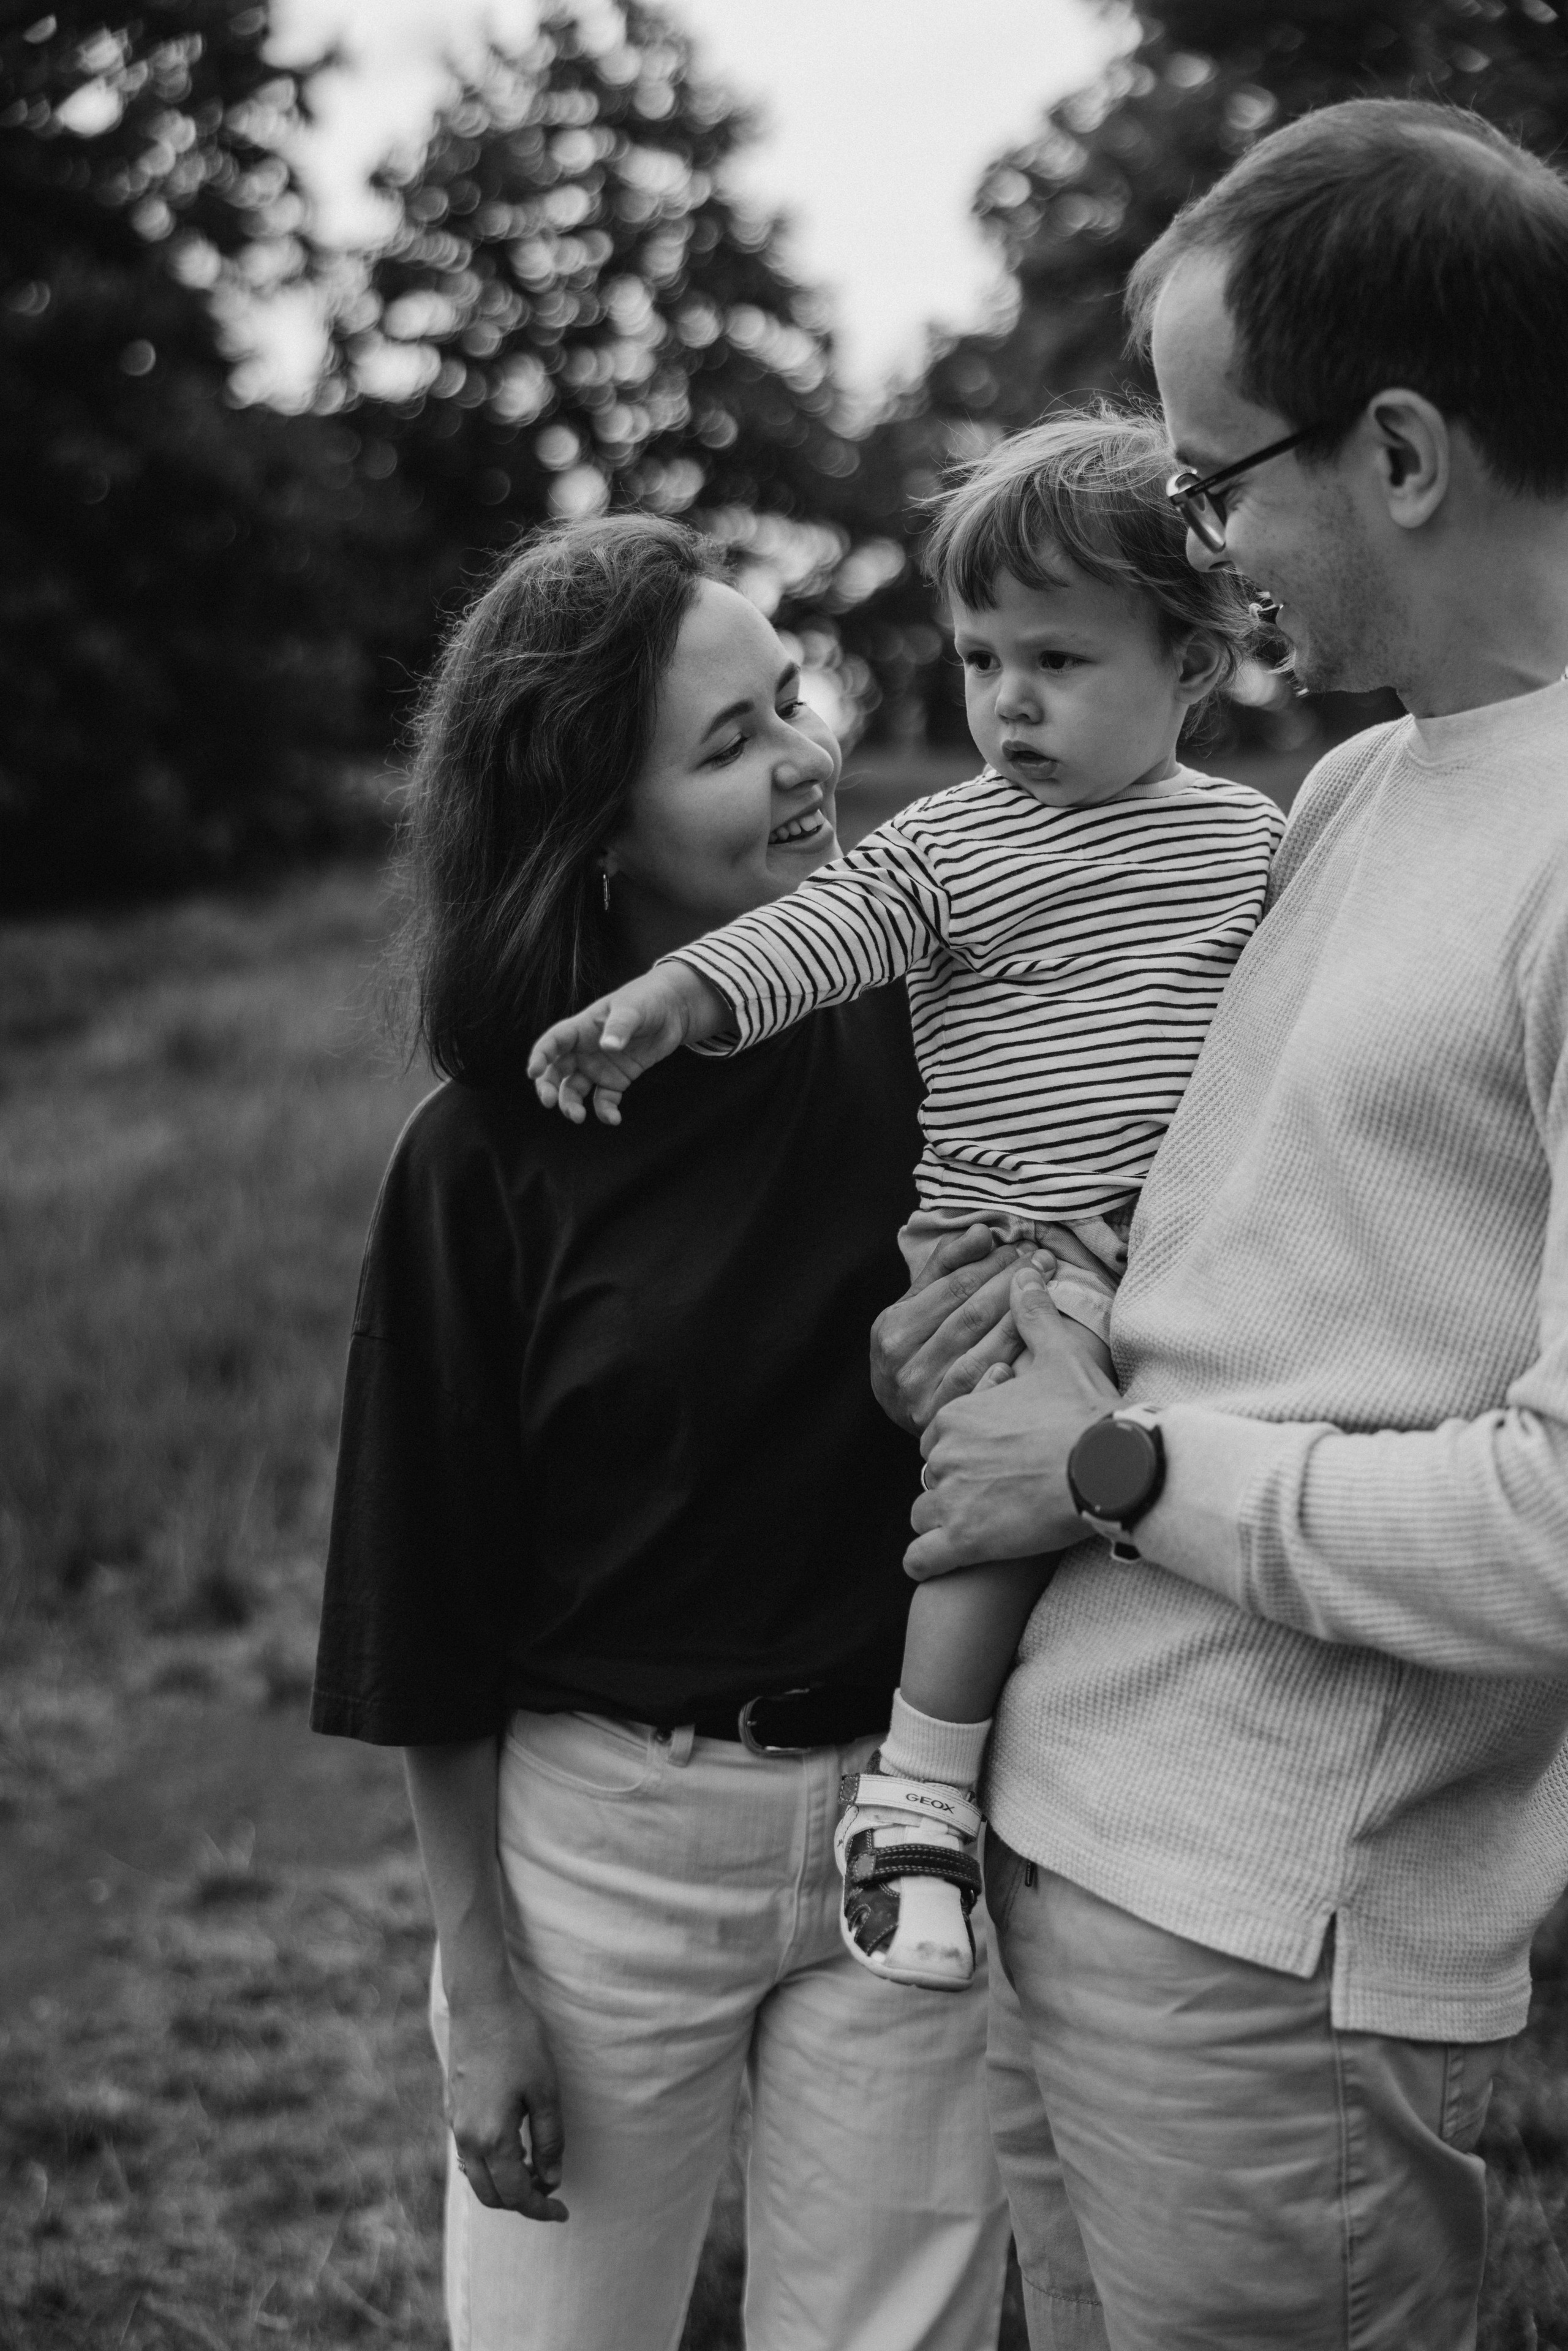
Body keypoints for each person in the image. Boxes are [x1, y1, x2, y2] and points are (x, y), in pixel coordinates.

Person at [872, 98, 1568, 2351]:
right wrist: (1002, 1346)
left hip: (1274, 1956)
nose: (1198, 535)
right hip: (1062, 1845)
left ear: (1397, 451)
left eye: (1210, 476)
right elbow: (1239, 1265)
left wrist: (1112, 1472)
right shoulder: (1355, 784)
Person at [311, 515, 1009, 2351]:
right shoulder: (483, 1161)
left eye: (792, 699)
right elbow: (420, 1595)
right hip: (606, 1856)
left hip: (911, 1824)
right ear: (592, 830)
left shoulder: (937, 1051)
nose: (806, 758)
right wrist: (483, 1977)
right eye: (729, 742)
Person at [527, 412, 1279, 1991]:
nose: (1009, 700)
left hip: (1183, 1248)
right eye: (982, 657)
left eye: (1058, 662)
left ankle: (1065, 1813)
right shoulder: (952, 844)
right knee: (1009, 1504)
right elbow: (821, 938)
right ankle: (918, 1799)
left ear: (1195, 670)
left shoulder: (1250, 846)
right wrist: (675, 1000)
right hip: (1010, 1247)